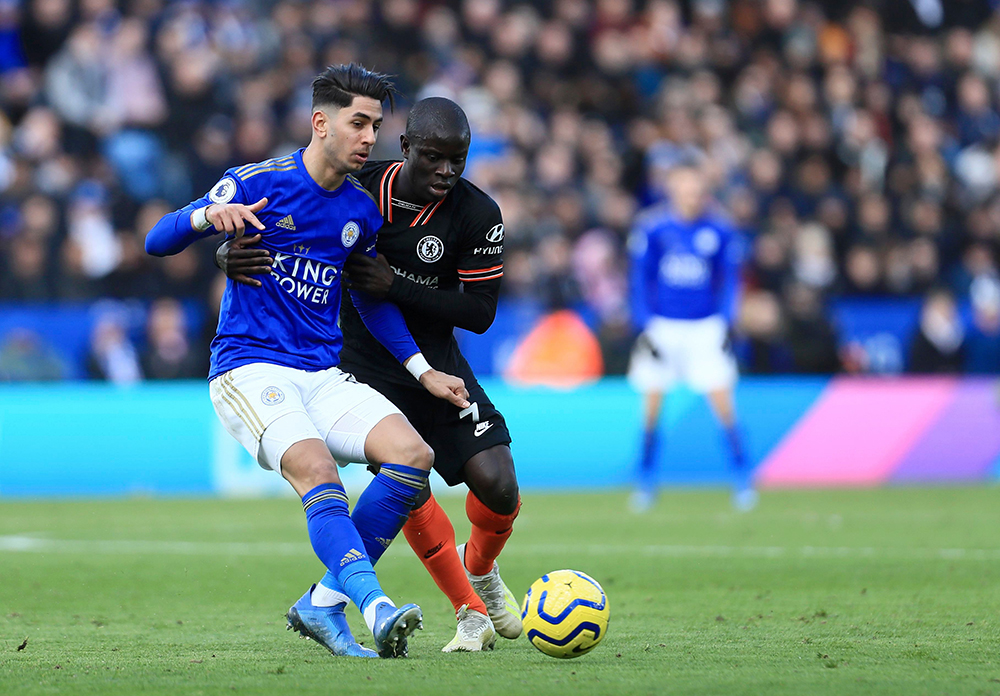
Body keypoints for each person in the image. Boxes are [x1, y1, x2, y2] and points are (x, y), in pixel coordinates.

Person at [145, 64, 473, 660]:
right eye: (358, 123)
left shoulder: (359, 212)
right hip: (250, 367)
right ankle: (375, 607)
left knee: (412, 456)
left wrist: (423, 371)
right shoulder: (255, 182)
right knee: (319, 471)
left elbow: (369, 305)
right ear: (321, 123)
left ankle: (323, 603)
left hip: (321, 373)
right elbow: (158, 239)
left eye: (375, 125)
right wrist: (204, 218)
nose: (370, 138)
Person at [219, 97, 522, 653]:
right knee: (409, 481)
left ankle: (480, 570)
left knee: (499, 484)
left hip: (434, 362)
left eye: (458, 160)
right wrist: (225, 255)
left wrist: (397, 288)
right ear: (405, 148)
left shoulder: (478, 213)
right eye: (434, 158)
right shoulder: (360, 188)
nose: (446, 172)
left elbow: (480, 313)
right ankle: (468, 609)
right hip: (360, 366)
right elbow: (284, 228)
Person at [627, 164, 754, 512]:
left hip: (705, 326)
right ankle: (645, 481)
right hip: (663, 326)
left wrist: (727, 322)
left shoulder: (720, 229)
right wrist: (644, 325)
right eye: (684, 188)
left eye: (696, 189)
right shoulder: (653, 228)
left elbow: (730, 280)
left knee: (724, 404)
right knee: (651, 407)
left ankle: (743, 478)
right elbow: (640, 279)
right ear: (672, 190)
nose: (691, 196)